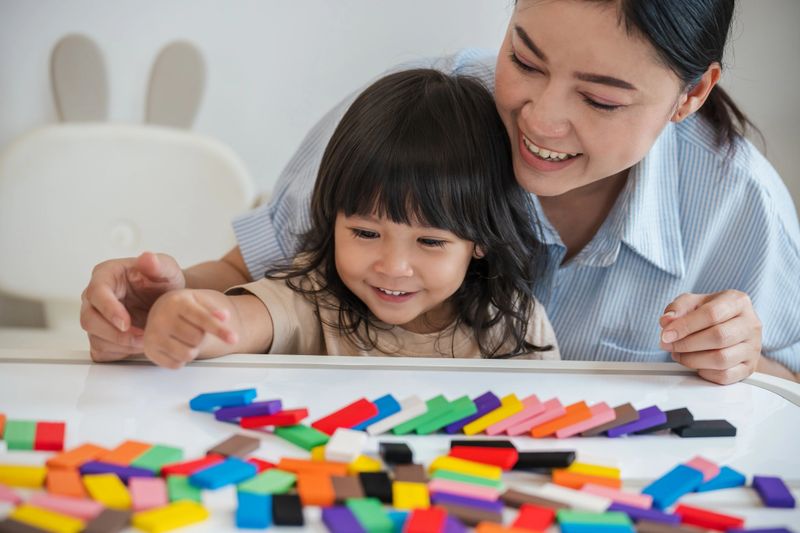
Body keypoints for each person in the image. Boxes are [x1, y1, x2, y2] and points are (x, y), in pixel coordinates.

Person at [81, 0, 800, 383]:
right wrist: (158, 304)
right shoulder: (416, 119)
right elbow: (254, 283)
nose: (542, 119)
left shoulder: (742, 206)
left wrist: (749, 359)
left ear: (692, 93)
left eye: (603, 99)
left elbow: (787, 393)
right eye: (525, 57)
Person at [138, 69, 559, 368]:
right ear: (332, 218)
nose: (392, 267)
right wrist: (187, 317)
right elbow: (243, 319)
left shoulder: (514, 324)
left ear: (480, 240)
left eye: (430, 241)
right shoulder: (313, 294)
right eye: (364, 232)